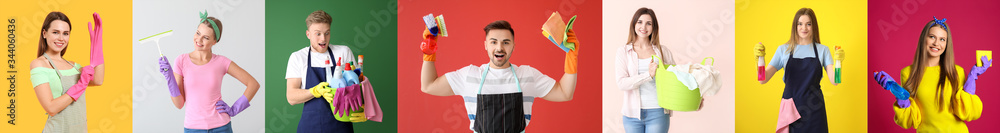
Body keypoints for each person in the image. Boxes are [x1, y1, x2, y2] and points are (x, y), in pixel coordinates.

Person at [418, 20, 579, 132]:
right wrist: (429, 51)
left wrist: (571, 56)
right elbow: (429, 85)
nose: (499, 48)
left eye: (506, 42)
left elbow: (565, 93)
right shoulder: (470, 75)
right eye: (493, 42)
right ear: (485, 45)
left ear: (513, 46)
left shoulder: (527, 75)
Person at [880, 17, 989, 133]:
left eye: (942, 39)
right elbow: (910, 120)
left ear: (947, 44)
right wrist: (897, 92)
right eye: (932, 37)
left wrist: (972, 79)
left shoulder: (957, 72)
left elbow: (970, 114)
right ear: (924, 39)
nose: (937, 43)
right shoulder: (908, 73)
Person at [158, 11, 260, 133]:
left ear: (214, 41)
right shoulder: (181, 61)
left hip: (222, 127)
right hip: (193, 128)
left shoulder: (222, 62)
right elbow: (179, 104)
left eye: (206, 37)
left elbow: (253, 84)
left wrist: (235, 109)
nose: (199, 40)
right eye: (198, 33)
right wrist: (169, 77)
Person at [755, 8, 843, 133]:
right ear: (795, 26)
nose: (804, 28)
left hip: (815, 112)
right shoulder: (783, 50)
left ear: (814, 26)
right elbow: (762, 79)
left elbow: (835, 80)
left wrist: (838, 62)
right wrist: (760, 59)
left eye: (808, 24)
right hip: (791, 111)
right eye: (800, 24)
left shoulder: (823, 50)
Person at [284, 10, 369, 133]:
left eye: (327, 33)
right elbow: (291, 97)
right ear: (308, 34)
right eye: (317, 34)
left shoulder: (343, 52)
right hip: (310, 126)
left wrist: (365, 109)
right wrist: (315, 91)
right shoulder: (298, 57)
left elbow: (358, 87)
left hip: (341, 126)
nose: (323, 38)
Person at [30, 11, 106, 133]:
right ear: (44, 33)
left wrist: (97, 45)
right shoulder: (39, 64)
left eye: (65, 33)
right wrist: (80, 85)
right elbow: (51, 108)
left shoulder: (74, 66)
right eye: (55, 32)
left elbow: (98, 80)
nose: (61, 38)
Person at [613, 7, 676, 133]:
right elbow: (622, 83)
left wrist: (696, 97)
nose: (644, 27)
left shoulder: (663, 52)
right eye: (640, 22)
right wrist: (648, 75)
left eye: (649, 23)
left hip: (658, 111)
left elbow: (676, 79)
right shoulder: (623, 52)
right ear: (634, 24)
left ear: (654, 27)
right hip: (631, 115)